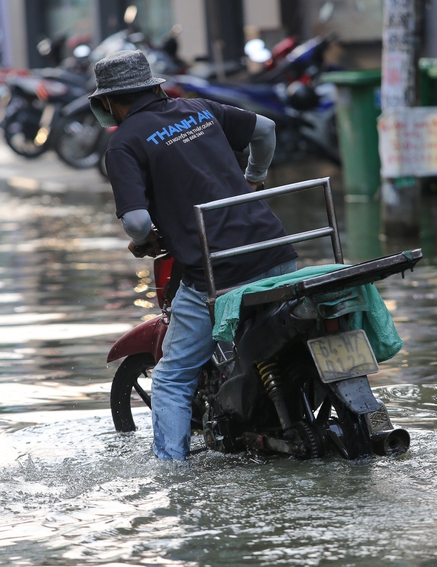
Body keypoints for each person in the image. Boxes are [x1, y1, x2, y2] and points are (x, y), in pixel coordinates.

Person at [89, 50, 297, 461]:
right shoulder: (201, 109)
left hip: (217, 271)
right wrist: (253, 179)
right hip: (277, 251)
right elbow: (266, 129)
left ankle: (172, 476)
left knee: (170, 378)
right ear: (154, 86)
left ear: (110, 102)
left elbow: (134, 221)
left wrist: (146, 237)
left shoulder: (124, 143)